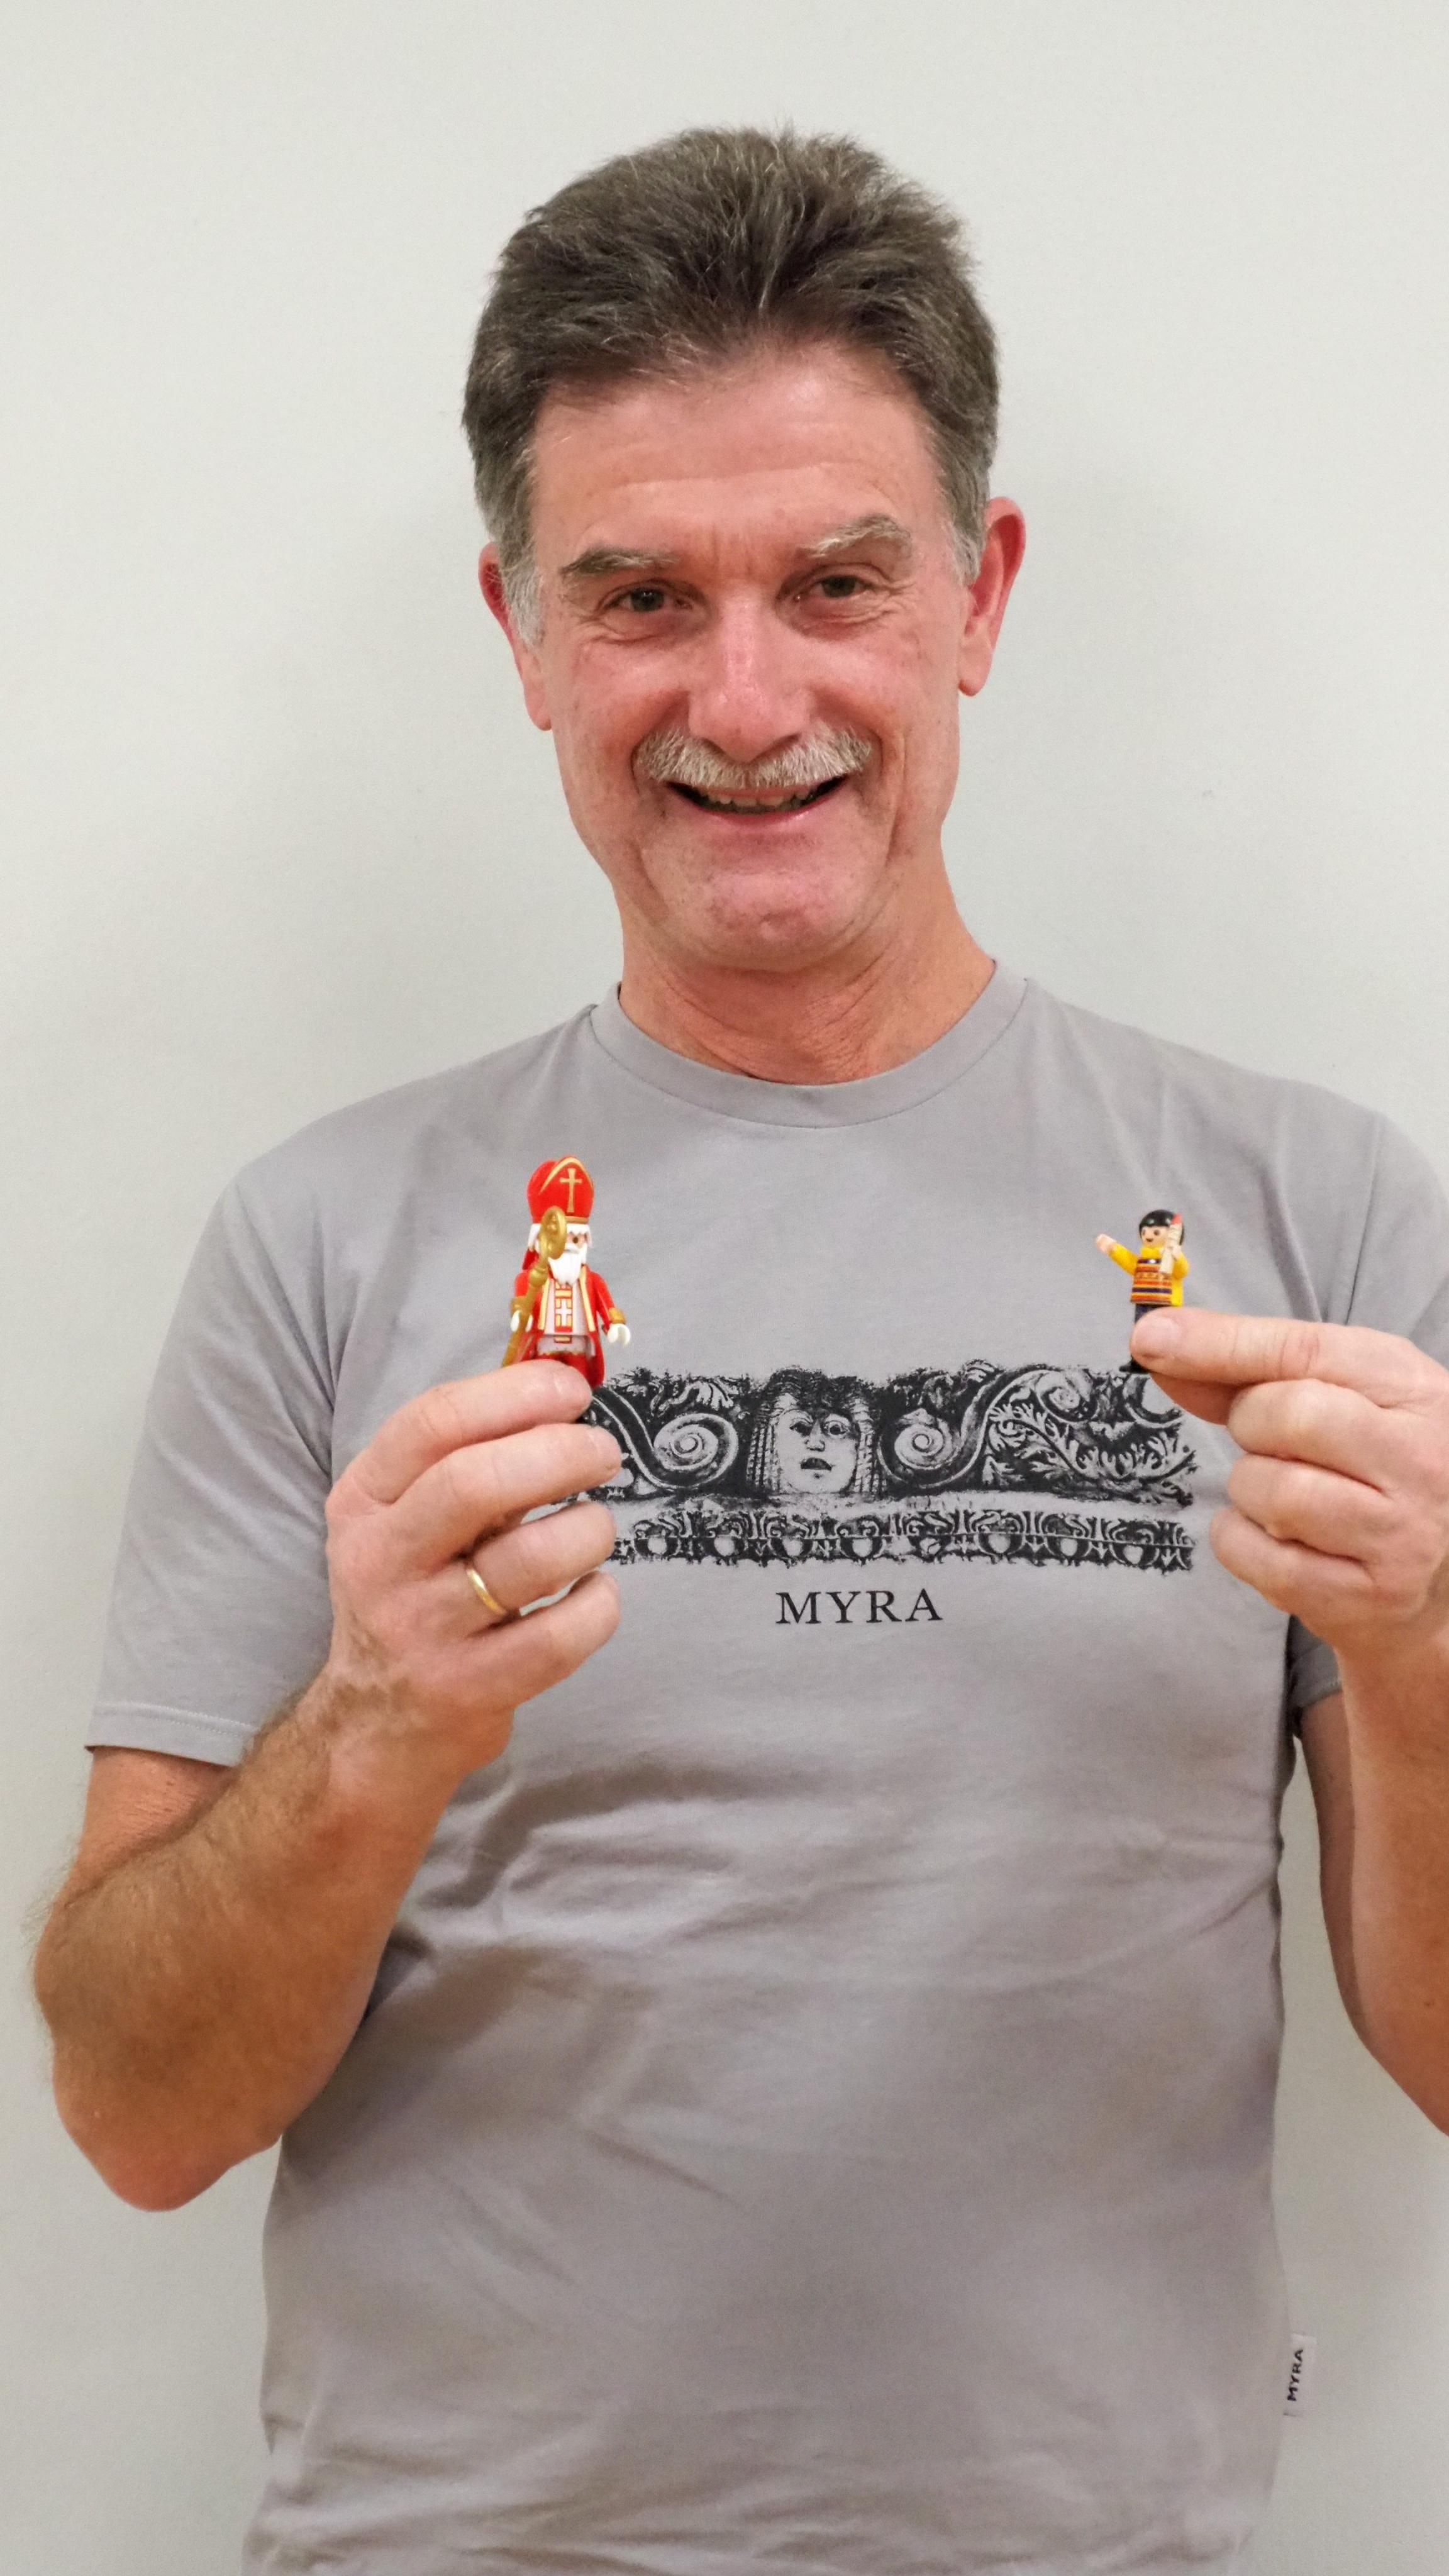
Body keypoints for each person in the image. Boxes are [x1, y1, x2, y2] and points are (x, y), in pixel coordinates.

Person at [33, 126, 1449, 2576]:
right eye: (642, 598)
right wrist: (376, 1725)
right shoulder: (327, 1240)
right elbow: (134, 2116)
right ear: (522, 633)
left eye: (835, 582)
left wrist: (1419, 1657)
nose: (748, 697)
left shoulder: (1313, 1222)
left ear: (980, 595)